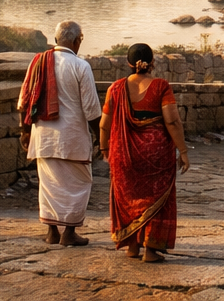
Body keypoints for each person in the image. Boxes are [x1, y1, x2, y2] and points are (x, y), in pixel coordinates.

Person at [101, 43, 189, 262]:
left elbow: (104, 124)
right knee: (156, 197)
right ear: (153, 63)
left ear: (129, 64)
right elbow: (172, 121)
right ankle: (150, 249)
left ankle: (132, 246)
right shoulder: (161, 86)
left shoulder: (115, 89)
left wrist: (104, 148)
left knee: (129, 197)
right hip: (156, 154)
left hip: (124, 153)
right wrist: (184, 151)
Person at [18, 20, 103, 247]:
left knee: (49, 185)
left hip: (43, 136)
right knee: (78, 184)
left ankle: (52, 231)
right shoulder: (80, 66)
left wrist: (25, 132)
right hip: (72, 138)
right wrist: (102, 138)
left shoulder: (37, 63)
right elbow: (92, 110)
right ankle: (69, 233)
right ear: (77, 41)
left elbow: (24, 102)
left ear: (56, 40)